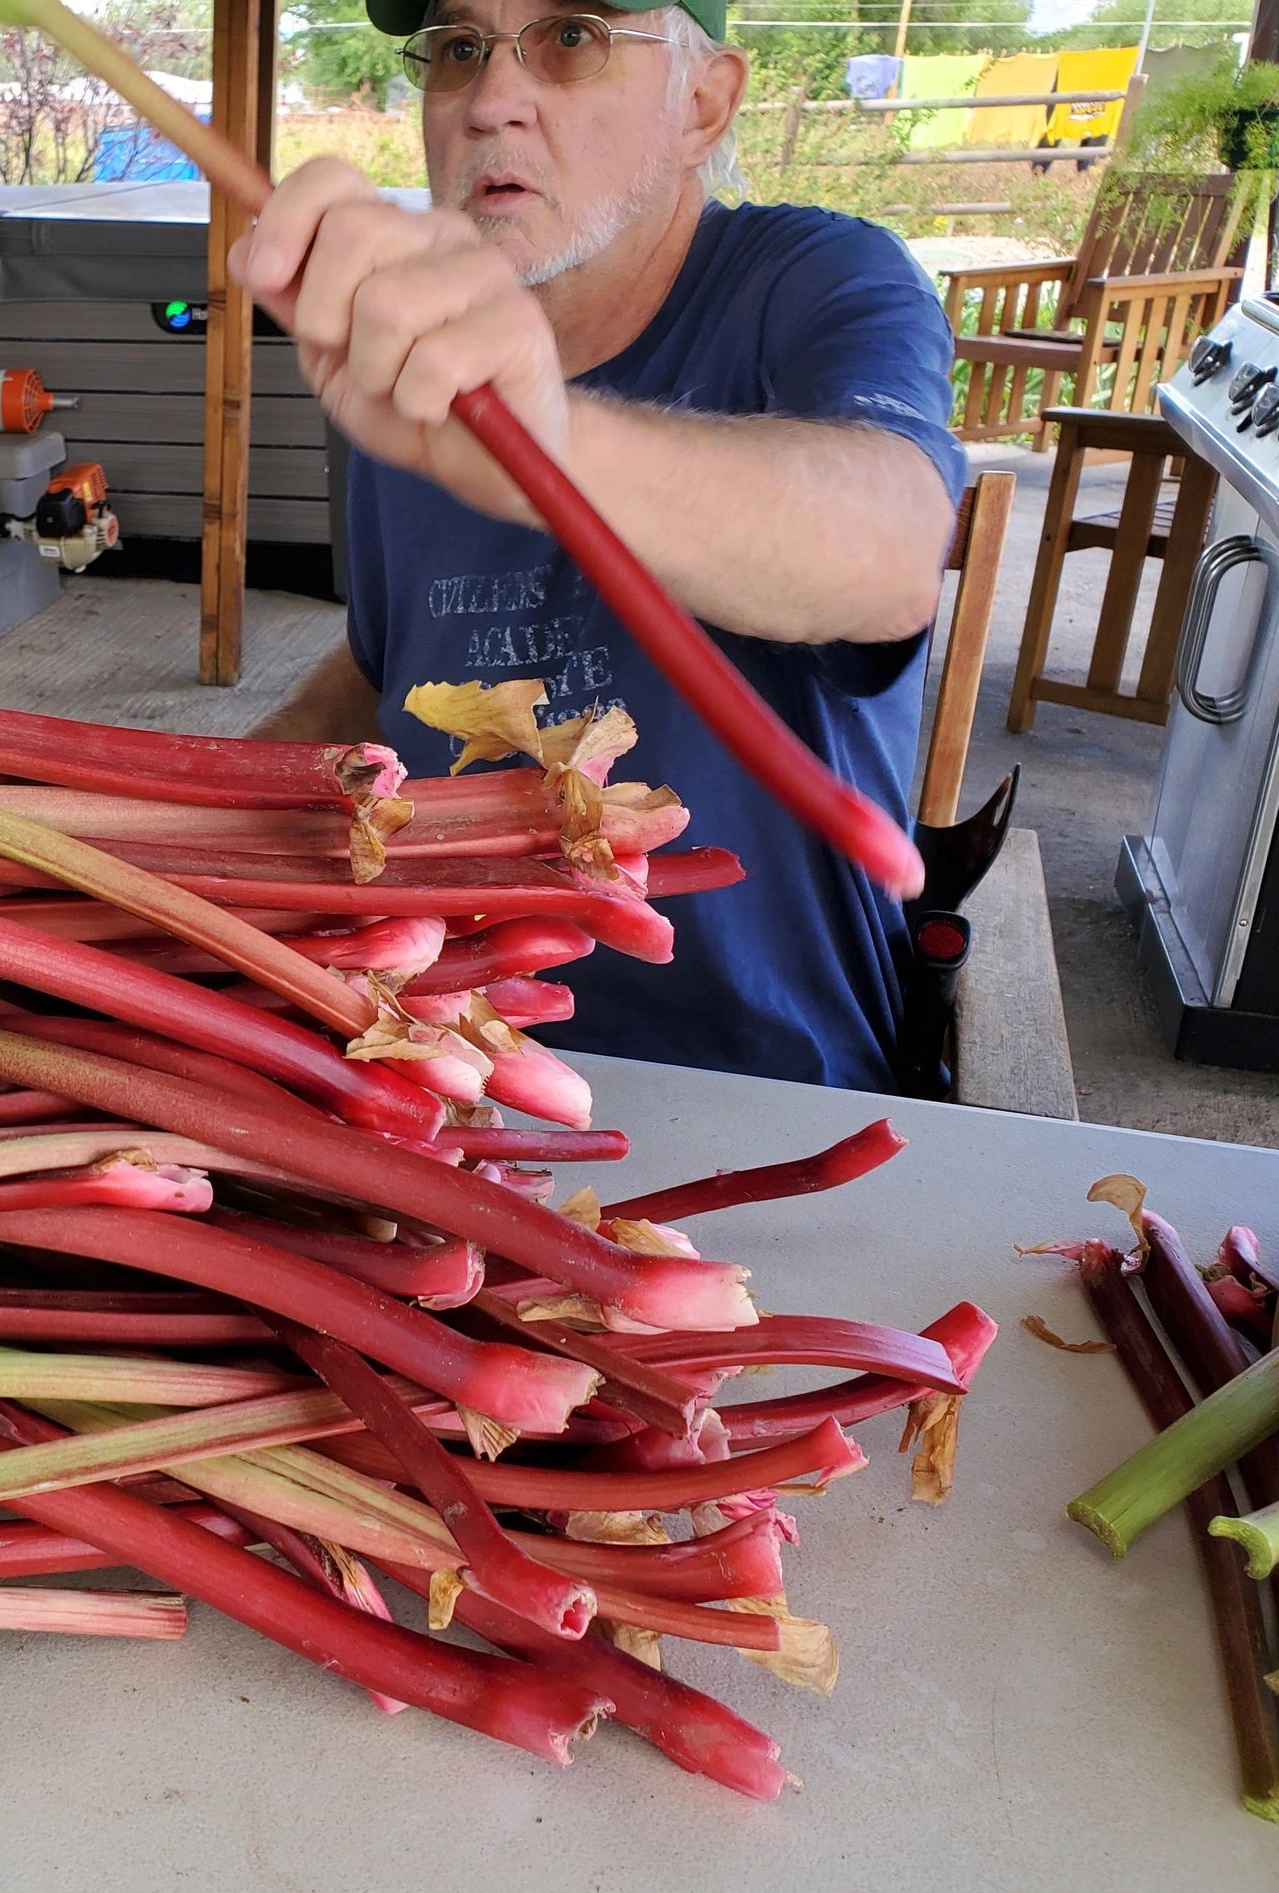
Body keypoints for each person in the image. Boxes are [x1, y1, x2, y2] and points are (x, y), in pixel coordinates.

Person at [245, 0, 967, 1094]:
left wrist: (549, 442)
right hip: (424, 1068)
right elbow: (389, 671)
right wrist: (180, 820)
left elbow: (887, 547)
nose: (491, 101)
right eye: (457, 48)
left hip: (759, 1084)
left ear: (702, 102)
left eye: (571, 37)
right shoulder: (412, 350)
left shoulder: (815, 280)